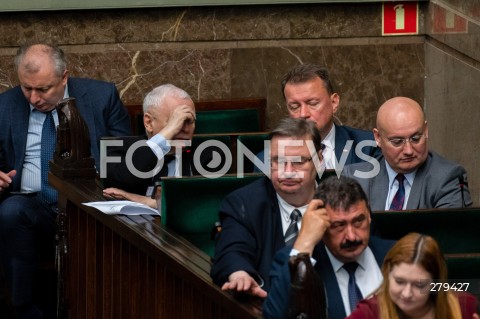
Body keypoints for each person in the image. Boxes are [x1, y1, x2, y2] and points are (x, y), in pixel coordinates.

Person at [0, 43, 131, 318]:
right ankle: (23, 310)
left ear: (64, 77)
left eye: (43, 89)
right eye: (27, 88)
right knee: (11, 211)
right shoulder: (5, 105)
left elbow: (124, 160)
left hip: (89, 205)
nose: (33, 98)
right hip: (31, 207)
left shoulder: (101, 97)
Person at [210, 117, 324, 299]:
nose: (287, 171)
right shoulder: (244, 203)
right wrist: (240, 273)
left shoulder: (340, 204)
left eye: (298, 161)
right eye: (278, 161)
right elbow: (231, 251)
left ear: (319, 160)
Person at [263, 176, 395, 319]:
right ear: (321, 225)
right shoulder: (295, 260)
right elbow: (274, 316)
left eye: (358, 221)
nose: (351, 236)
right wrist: (304, 243)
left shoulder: (395, 253)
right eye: (339, 225)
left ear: (369, 216)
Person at [102, 83, 221, 208]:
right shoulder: (120, 149)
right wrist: (167, 134)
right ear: (148, 123)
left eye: (189, 121)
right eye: (175, 121)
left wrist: (143, 200)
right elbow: (122, 181)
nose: (185, 129)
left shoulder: (209, 153)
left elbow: (205, 204)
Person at [342, 96, 472, 210]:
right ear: (378, 138)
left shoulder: (447, 178)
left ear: (426, 131)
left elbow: (448, 235)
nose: (409, 150)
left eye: (415, 139)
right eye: (397, 142)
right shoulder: (355, 179)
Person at [256, 64, 378, 172]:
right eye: (295, 106)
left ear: (334, 102)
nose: (303, 114)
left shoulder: (369, 146)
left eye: (313, 103)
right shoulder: (265, 161)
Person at [347, 232, 479, 319]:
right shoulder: (370, 313)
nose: (407, 293)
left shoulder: (464, 306)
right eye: (399, 281)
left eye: (419, 284)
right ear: (388, 273)